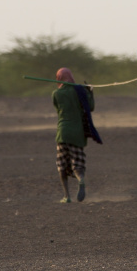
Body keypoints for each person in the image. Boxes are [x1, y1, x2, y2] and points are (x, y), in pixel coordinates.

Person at [52, 67, 95, 203]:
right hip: (77, 133)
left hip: (62, 132)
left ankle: (66, 196)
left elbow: (58, 109)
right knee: (78, 163)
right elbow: (91, 107)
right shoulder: (79, 91)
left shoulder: (56, 93)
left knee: (62, 164)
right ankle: (81, 180)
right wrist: (90, 92)